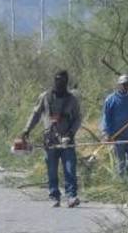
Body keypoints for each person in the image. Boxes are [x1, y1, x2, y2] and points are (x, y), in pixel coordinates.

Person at [20, 70, 82, 208]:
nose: (59, 83)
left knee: (70, 169)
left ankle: (71, 196)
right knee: (52, 170)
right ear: (54, 80)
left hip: (67, 140)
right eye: (57, 80)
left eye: (62, 81)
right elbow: (35, 114)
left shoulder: (72, 99)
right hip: (50, 140)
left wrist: (71, 133)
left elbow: (78, 118)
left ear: (66, 82)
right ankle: (54, 196)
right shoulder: (45, 97)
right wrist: (27, 130)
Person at [101, 74, 128, 176]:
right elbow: (105, 117)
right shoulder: (110, 99)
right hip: (116, 138)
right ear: (119, 85)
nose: (126, 86)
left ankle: (127, 176)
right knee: (120, 164)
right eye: (124, 84)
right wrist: (105, 133)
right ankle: (120, 186)